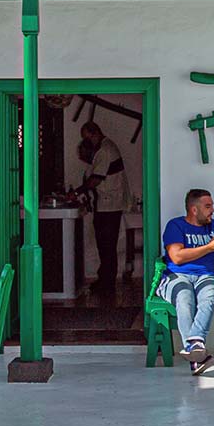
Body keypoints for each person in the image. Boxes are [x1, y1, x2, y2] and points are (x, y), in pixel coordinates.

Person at [160, 189, 214, 376]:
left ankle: (195, 346)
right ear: (194, 209)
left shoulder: (213, 226)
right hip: (177, 276)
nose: (213, 210)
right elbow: (176, 257)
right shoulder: (176, 226)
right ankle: (197, 352)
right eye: (208, 206)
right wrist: (208, 248)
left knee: (210, 296)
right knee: (184, 298)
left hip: (205, 276)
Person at [77, 120, 128, 298]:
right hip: (107, 204)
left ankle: (107, 282)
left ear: (94, 133)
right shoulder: (106, 148)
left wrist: (79, 191)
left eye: (87, 138)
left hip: (109, 205)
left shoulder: (105, 151)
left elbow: (96, 179)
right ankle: (105, 279)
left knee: (106, 245)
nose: (87, 142)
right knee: (105, 246)